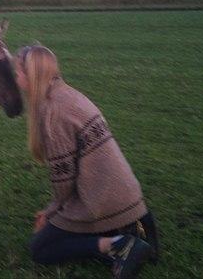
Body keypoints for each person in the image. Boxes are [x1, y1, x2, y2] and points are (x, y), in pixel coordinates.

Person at [15, 45, 159, 279]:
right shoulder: (69, 94)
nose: (16, 78)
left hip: (102, 202)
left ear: (30, 75)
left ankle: (118, 245)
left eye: (18, 73)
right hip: (130, 199)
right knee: (61, 232)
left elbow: (64, 180)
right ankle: (134, 237)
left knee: (40, 249)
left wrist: (51, 211)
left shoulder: (53, 113)